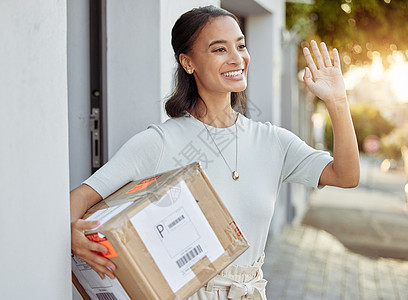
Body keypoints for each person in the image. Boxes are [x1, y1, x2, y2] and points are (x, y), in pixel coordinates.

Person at [70, 5, 360, 299]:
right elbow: (78, 199)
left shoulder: (273, 141)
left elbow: (346, 175)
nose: (237, 58)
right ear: (188, 62)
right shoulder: (158, 142)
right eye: (219, 49)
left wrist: (337, 101)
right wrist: (71, 235)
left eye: (241, 45)